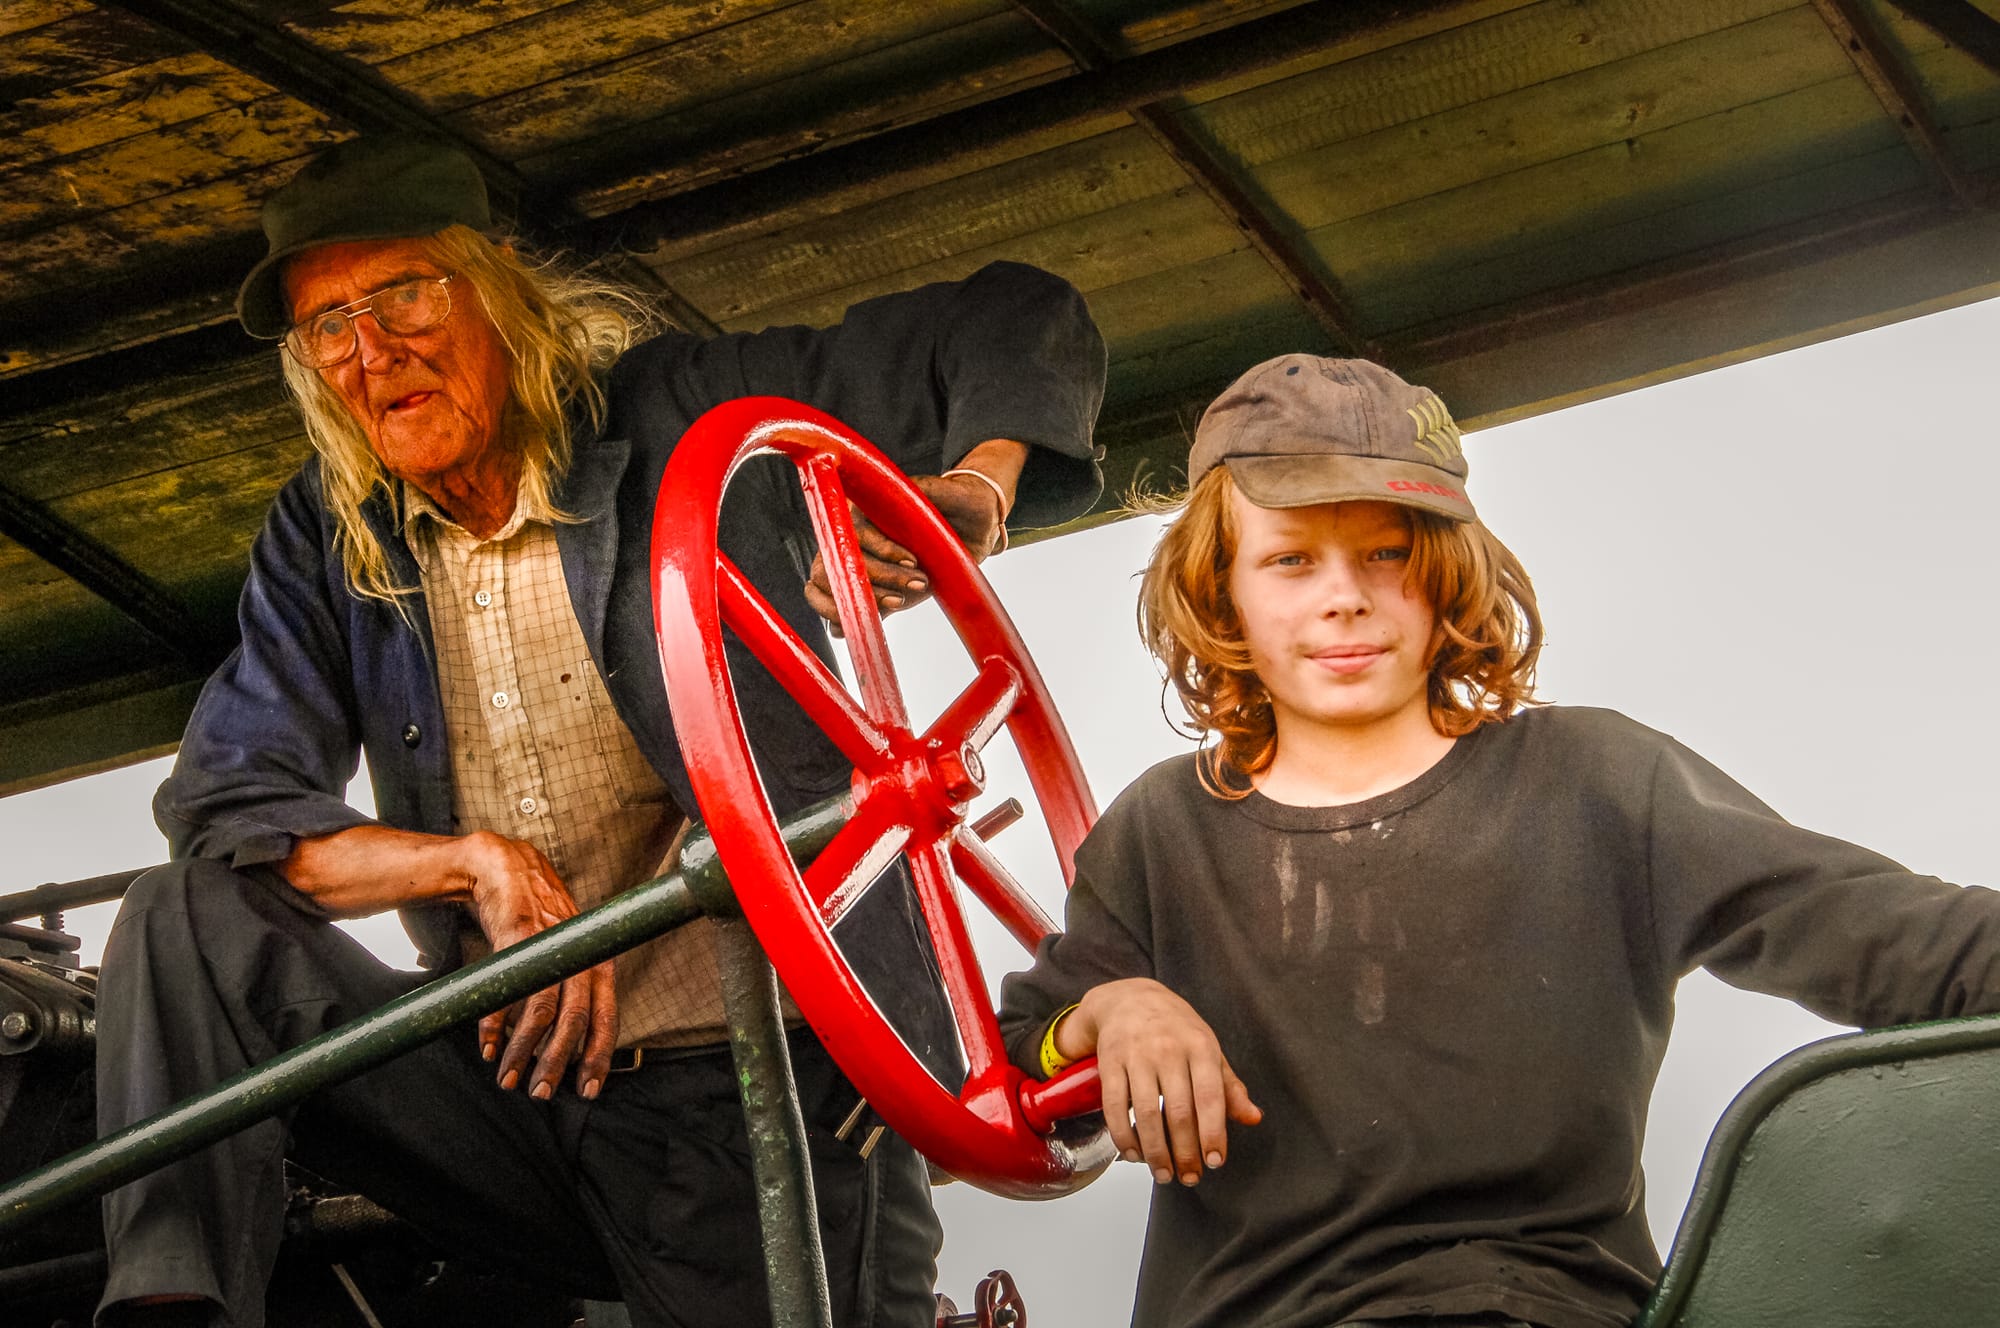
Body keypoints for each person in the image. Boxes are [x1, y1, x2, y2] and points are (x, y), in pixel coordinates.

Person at [95, 135, 1105, 1328]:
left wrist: (975, 488)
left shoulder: (679, 412)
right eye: (329, 326)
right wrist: (466, 864)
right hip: (513, 1099)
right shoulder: (328, 534)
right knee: (185, 915)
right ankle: (166, 1307)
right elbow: (226, 802)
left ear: (495, 285)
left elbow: (1014, 315)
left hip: (757, 1098)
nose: (373, 352)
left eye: (404, 294)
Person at [997, 353, 2000, 1328]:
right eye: (1291, 559)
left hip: (1534, 1302)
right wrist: (1109, 1011)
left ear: (1447, 570)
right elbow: (1015, 1087)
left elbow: (1905, 942)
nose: (1343, 595)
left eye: (1386, 552)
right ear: (1220, 588)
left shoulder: (1599, 781)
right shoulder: (1161, 831)